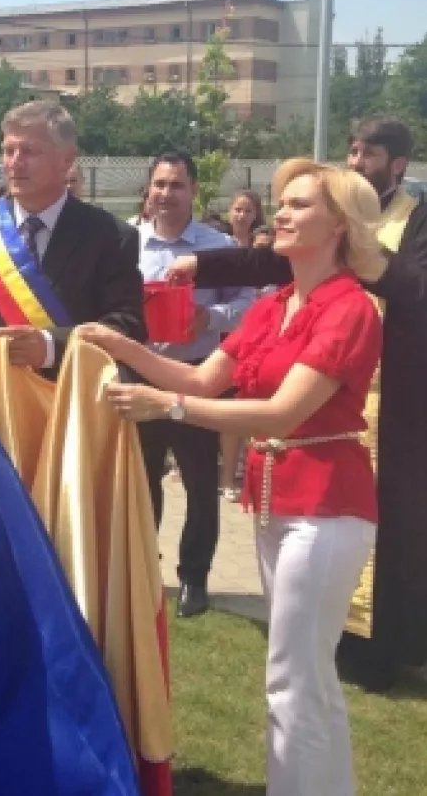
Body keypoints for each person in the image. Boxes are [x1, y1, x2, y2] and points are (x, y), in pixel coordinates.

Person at [79, 158, 386, 796]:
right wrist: (121, 346)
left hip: (327, 505)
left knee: (291, 680)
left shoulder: (348, 308)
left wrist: (169, 409)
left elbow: (279, 411)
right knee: (309, 679)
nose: (281, 214)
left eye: (300, 205)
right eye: (283, 203)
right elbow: (198, 375)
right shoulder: (274, 304)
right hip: (284, 501)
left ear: (339, 225)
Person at [169, 117, 427, 692]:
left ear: (399, 165)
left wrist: (366, 260)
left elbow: (417, 290)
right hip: (325, 392)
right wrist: (203, 264)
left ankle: (384, 646)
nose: (356, 160)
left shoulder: (417, 218)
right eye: (353, 148)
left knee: (399, 526)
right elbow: (266, 261)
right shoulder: (311, 239)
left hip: (398, 399)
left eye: (370, 153)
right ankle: (332, 640)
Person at [0, 100, 145, 372]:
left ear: (67, 159)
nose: (15, 163)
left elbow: (127, 325)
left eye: (29, 151)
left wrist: (53, 346)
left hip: (65, 403)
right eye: (8, 151)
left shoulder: (110, 236)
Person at [134, 152, 254, 617]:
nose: (166, 193)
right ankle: (144, 569)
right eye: (159, 184)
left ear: (194, 191)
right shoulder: (128, 244)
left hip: (197, 378)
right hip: (141, 376)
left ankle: (195, 577)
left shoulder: (217, 246)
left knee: (202, 484)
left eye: (176, 185)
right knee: (141, 483)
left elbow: (250, 304)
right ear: (149, 190)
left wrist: (210, 317)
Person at [220, 190, 265, 501]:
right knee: (230, 407)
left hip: (260, 339)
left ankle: (251, 472)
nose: (241, 215)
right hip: (229, 338)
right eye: (237, 209)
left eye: (247, 210)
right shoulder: (220, 247)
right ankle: (227, 475)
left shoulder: (268, 248)